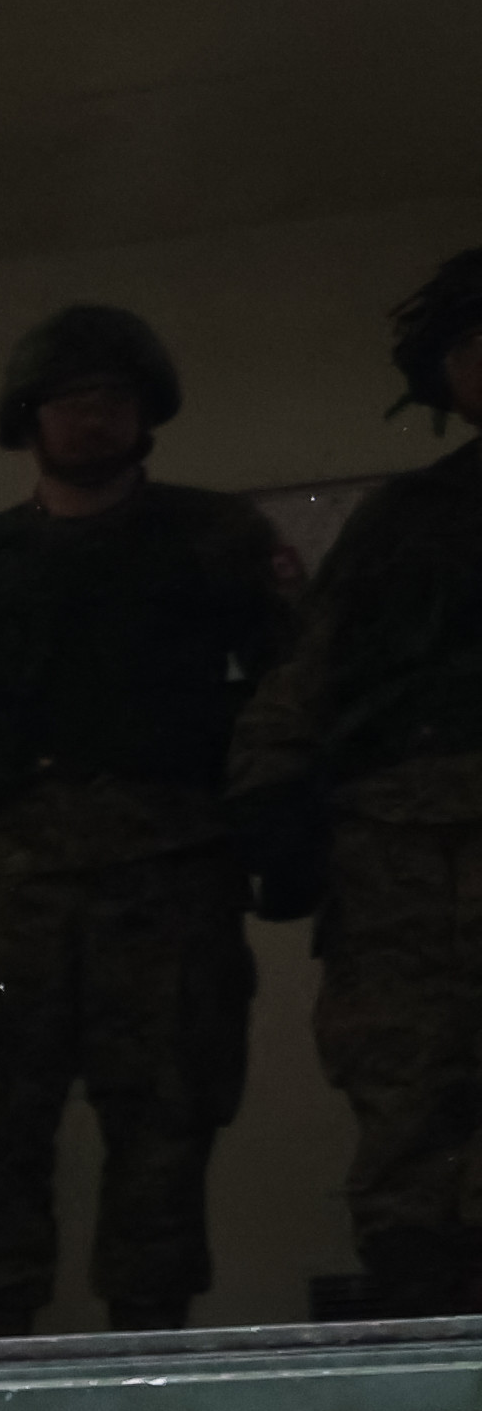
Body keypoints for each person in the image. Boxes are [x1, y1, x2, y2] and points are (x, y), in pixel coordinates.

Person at [0, 303, 298, 1336]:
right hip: (2, 882)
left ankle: (150, 1356)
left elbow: (295, 688)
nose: (91, 419)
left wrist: (283, 824)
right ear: (26, 420)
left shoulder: (215, 540)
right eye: (69, 400)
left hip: (166, 869)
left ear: (145, 416)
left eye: (112, 399)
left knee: (165, 1120)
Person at [225, 245, 482, 1325]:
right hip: (402, 858)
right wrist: (272, 809)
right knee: (408, 1114)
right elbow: (307, 679)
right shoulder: (401, 521)